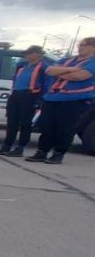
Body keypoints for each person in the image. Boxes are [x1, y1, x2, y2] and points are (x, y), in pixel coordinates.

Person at [26, 36, 95, 164]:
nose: (80, 47)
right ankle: (42, 152)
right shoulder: (68, 60)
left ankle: (58, 154)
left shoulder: (92, 62)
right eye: (80, 44)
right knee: (47, 126)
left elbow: (79, 76)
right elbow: (50, 70)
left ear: (93, 47)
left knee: (65, 128)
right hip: (52, 97)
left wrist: (62, 72)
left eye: (84, 45)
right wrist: (70, 69)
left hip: (74, 99)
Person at [0, 45, 46, 157]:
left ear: (38, 54)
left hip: (30, 95)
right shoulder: (22, 66)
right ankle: (6, 146)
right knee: (12, 122)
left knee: (25, 123)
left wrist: (39, 100)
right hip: (16, 95)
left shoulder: (43, 68)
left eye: (30, 53)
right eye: (27, 54)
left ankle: (20, 148)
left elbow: (45, 85)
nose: (27, 56)